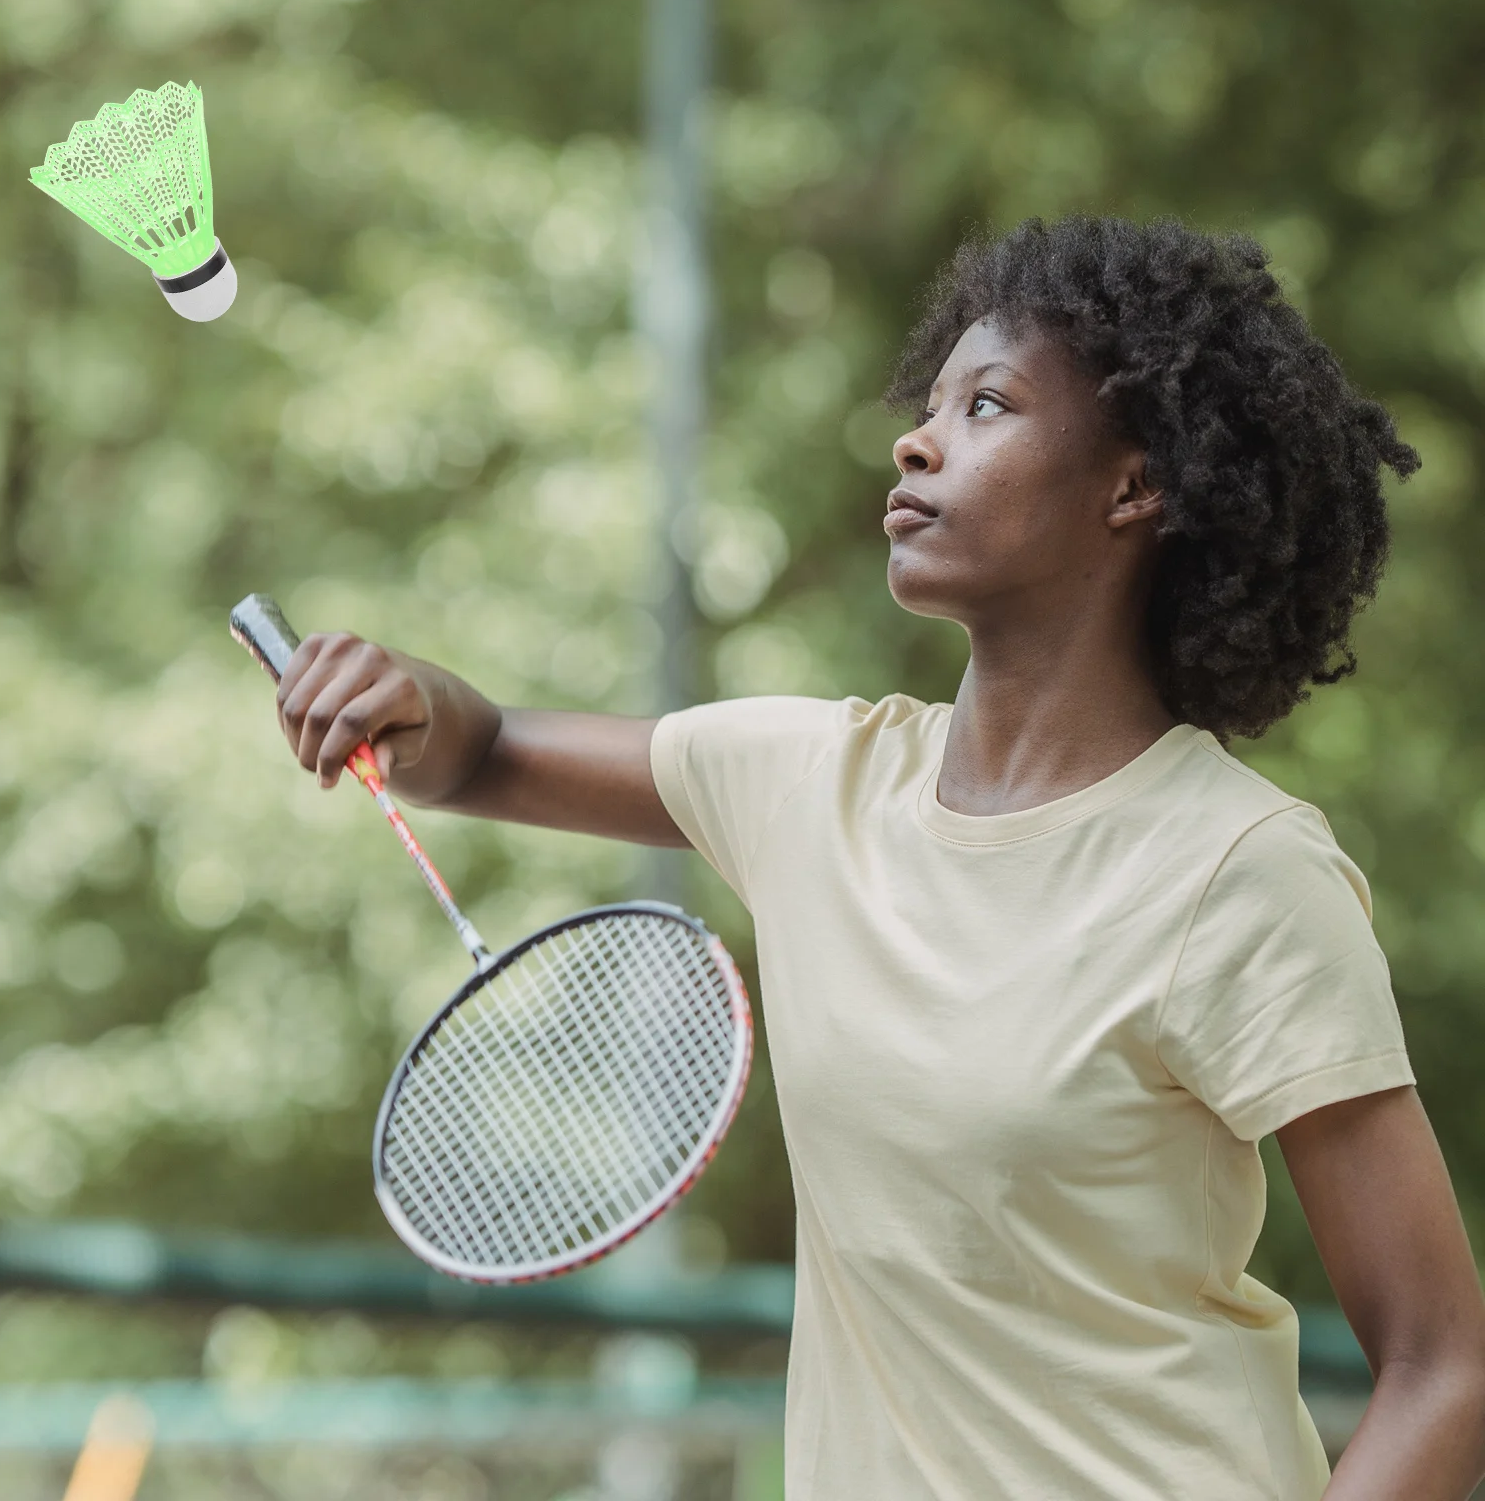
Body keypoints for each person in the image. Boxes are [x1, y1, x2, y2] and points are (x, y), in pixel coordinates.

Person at [271, 215, 1485, 1499]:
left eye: (989, 404)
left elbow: (1443, 1364)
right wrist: (398, 697)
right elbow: (482, 749)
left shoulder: (1239, 871)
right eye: (933, 401)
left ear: (1133, 487)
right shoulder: (810, 783)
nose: (917, 439)